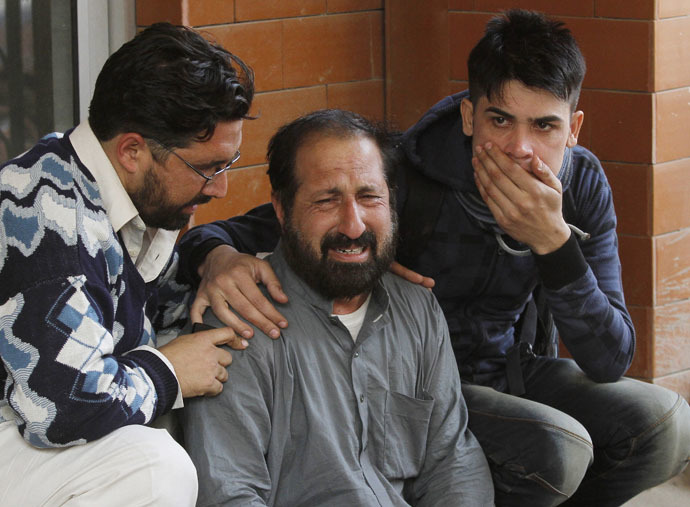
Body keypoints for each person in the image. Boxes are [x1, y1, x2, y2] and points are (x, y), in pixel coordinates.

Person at [179, 9, 690, 507]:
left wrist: (554, 245)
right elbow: (275, 222)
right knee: (559, 447)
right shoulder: (401, 176)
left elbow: (610, 357)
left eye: (545, 127)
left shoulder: (580, 184)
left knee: (664, 424)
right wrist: (217, 257)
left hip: (513, 369)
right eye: (500, 120)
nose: (520, 148)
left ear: (574, 129)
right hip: (413, 383)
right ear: (469, 116)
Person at [182, 109, 494, 506]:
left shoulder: (418, 309)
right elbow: (230, 494)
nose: (353, 225)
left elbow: (452, 460)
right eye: (327, 201)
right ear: (280, 209)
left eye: (369, 197)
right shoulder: (239, 324)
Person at [0, 22, 254, 505]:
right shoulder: (49, 218)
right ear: (132, 150)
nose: (221, 188)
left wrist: (216, 255)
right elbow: (62, 409)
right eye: (208, 168)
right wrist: (167, 372)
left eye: (229, 163)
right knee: (154, 469)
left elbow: (168, 299)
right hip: (26, 422)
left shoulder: (121, 190)